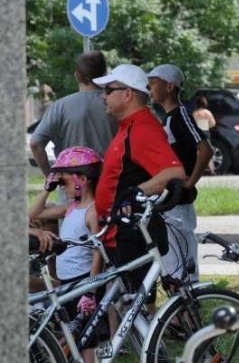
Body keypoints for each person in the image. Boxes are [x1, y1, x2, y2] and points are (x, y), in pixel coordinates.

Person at [93, 64, 186, 290]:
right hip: (118, 231)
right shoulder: (129, 126)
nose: (103, 96)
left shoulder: (142, 128)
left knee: (138, 306)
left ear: (127, 94)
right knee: (126, 304)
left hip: (130, 234)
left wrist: (134, 194)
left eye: (108, 90)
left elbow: (175, 172)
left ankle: (171, 325)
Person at [148, 64, 213, 283]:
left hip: (180, 204)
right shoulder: (167, 118)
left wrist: (189, 182)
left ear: (169, 86)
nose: (150, 87)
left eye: (154, 82)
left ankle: (188, 309)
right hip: (171, 203)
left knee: (184, 267)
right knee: (174, 265)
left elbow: (205, 149)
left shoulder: (180, 115)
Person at [30, 51, 117, 176]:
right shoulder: (116, 104)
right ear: (104, 74)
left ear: (76, 76)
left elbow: (35, 143)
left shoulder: (60, 107)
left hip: (72, 188)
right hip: (110, 185)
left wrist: (51, 178)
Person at [28, 146, 104, 283]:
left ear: (82, 179)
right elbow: (35, 213)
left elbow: (98, 252)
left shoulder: (92, 212)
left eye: (63, 182)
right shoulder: (71, 206)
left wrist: (91, 290)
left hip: (83, 279)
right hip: (65, 279)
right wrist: (47, 189)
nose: (61, 187)